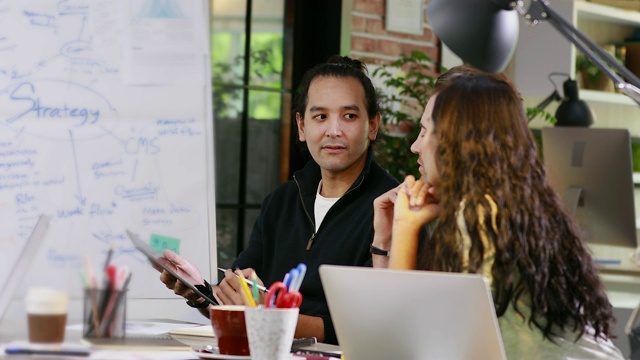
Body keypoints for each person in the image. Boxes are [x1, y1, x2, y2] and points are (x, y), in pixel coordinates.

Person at [373, 65, 624, 359]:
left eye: (427, 131)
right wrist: (388, 238)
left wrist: (404, 227)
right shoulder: (514, 205)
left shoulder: (480, 216)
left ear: (459, 142)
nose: (416, 145)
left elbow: (400, 341)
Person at [154, 55, 398, 344]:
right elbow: (242, 305)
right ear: (301, 126)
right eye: (320, 116)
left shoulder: (390, 210)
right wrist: (201, 291)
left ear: (373, 125)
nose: (334, 130)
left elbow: (368, 330)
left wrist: (268, 316)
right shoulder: (281, 201)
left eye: (349, 116)